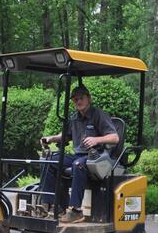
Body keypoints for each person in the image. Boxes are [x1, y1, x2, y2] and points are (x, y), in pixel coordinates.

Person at [38, 85, 119, 223]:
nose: (78, 101)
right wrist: (51, 138)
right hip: (79, 155)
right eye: (75, 99)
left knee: (78, 165)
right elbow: (65, 136)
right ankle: (52, 205)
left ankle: (76, 211)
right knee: (50, 161)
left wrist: (96, 140)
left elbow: (115, 138)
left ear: (88, 98)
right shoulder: (74, 118)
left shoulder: (99, 115)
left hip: (97, 157)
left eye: (81, 98)